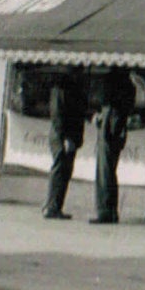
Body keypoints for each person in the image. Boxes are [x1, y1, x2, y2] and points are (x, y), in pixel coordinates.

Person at [41, 76, 84, 220]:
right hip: (63, 136)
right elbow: (59, 114)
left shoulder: (64, 88)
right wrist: (66, 137)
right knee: (60, 168)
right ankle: (52, 206)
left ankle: (54, 205)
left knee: (64, 169)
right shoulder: (62, 89)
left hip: (66, 135)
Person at [90, 73, 130, 225]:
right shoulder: (128, 87)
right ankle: (110, 210)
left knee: (104, 171)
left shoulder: (113, 86)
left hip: (109, 131)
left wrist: (101, 116)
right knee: (109, 170)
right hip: (115, 131)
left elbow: (105, 101)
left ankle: (105, 210)